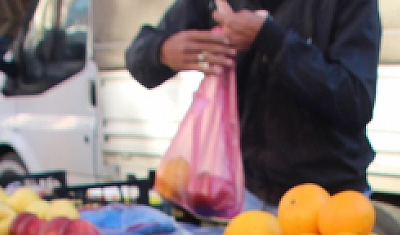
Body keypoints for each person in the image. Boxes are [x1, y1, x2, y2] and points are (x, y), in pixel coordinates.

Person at [126, 0, 381, 207]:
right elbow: (139, 55)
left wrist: (273, 42)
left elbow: (355, 100)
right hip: (248, 195)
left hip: (329, 200)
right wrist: (161, 51)